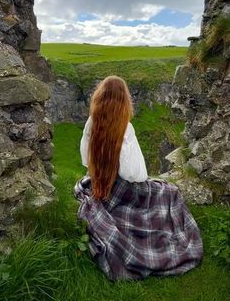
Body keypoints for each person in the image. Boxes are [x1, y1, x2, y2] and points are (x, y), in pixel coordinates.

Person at [74, 75, 203, 281]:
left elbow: (85, 159)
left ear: (99, 97)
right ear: (124, 100)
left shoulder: (92, 122)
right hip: (124, 189)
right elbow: (135, 174)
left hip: (101, 185)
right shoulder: (125, 127)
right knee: (170, 192)